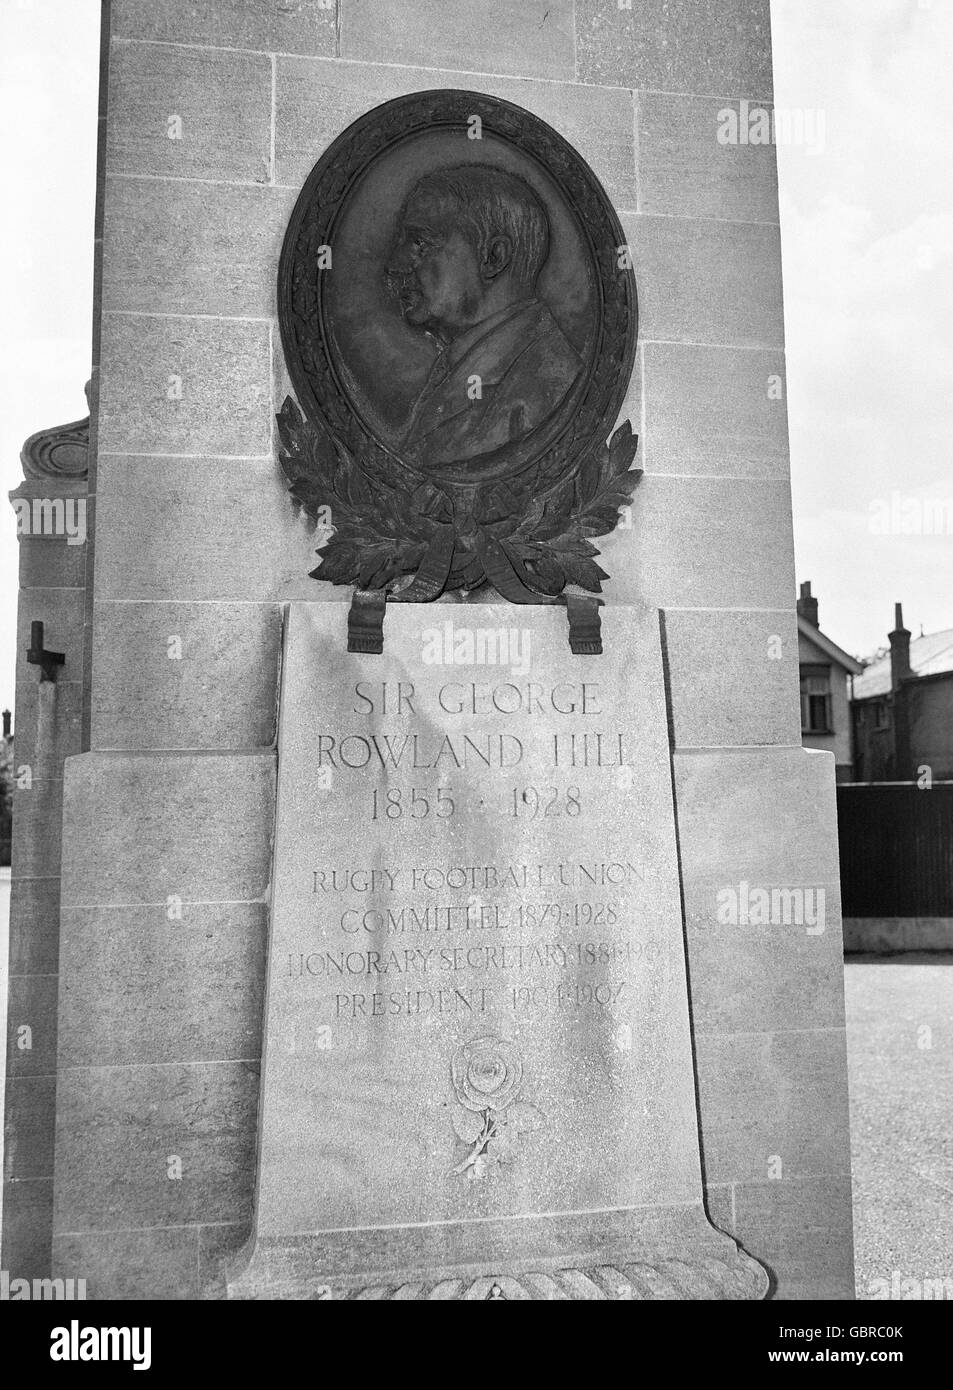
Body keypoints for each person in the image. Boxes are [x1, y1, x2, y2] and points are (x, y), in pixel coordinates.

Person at [385, 164, 581, 468]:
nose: (395, 265)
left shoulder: (544, 384)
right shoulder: (455, 366)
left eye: (420, 243)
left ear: (493, 258)